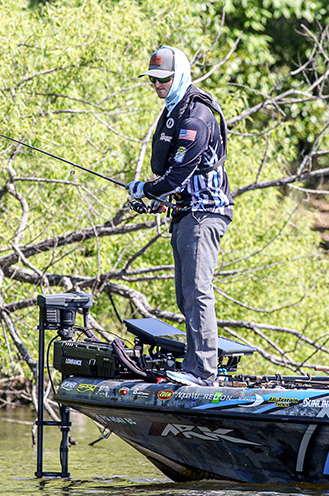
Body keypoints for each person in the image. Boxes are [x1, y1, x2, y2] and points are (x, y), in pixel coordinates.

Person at [127, 46, 233, 387]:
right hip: (186, 213)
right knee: (185, 295)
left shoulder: (196, 117)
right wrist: (161, 199)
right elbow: (175, 177)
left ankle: (203, 373)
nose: (158, 85)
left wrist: (146, 189)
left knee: (198, 291)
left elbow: (177, 175)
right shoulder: (174, 110)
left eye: (164, 78)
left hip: (205, 213)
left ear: (181, 75)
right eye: (153, 80)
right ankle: (192, 367)